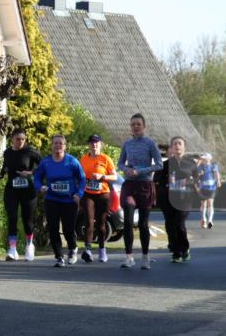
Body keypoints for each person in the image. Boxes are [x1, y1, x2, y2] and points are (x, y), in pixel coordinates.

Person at [33, 135, 86, 267]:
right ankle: (59, 257)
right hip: (52, 199)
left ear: (65, 146)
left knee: (68, 229)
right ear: (52, 145)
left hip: (69, 200)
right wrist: (40, 187)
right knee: (53, 228)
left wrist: (79, 194)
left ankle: (72, 249)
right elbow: (37, 177)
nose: (58, 145)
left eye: (60, 143)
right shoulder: (46, 162)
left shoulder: (72, 161)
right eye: (55, 143)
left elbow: (82, 179)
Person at [117, 114, 160, 269]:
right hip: (129, 185)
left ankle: (145, 256)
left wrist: (140, 171)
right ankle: (129, 257)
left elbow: (159, 164)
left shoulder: (150, 143)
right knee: (128, 222)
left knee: (143, 223)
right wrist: (126, 170)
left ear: (144, 126)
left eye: (138, 124)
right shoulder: (127, 144)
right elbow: (120, 163)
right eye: (133, 124)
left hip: (145, 186)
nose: (135, 127)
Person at [0, 129, 41, 261]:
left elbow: (43, 166)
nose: (20, 141)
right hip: (12, 189)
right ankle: (12, 249)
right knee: (12, 217)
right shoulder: (7, 152)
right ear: (12, 139)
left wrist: (31, 172)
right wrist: (1, 174)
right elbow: (6, 166)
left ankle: (29, 246)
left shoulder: (31, 152)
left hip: (28, 190)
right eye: (17, 139)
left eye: (23, 139)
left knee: (27, 220)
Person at [78, 134, 118, 263]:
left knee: (101, 224)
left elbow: (115, 177)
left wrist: (102, 177)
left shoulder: (106, 159)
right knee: (89, 222)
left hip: (103, 194)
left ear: (100, 144)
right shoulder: (84, 159)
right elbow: (78, 175)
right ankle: (88, 250)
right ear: (88, 145)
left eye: (96, 142)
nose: (94, 144)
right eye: (91, 142)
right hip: (88, 194)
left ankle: (102, 249)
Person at [156, 136, 197, 263]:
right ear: (171, 148)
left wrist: (187, 181)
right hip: (168, 199)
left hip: (185, 199)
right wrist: (166, 181)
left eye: (180, 143)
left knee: (179, 224)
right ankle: (176, 252)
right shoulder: (165, 165)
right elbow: (156, 180)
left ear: (185, 147)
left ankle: (184, 248)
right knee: (170, 225)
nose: (177, 146)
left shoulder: (191, 163)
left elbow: (198, 179)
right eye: (175, 144)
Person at [195, 153, 221, 229]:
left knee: (210, 203)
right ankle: (203, 219)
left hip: (212, 187)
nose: (203, 159)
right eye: (203, 158)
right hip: (202, 187)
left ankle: (210, 221)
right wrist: (199, 173)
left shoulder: (213, 166)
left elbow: (216, 174)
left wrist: (218, 181)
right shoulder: (200, 166)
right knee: (203, 204)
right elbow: (195, 173)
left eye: (205, 158)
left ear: (209, 159)